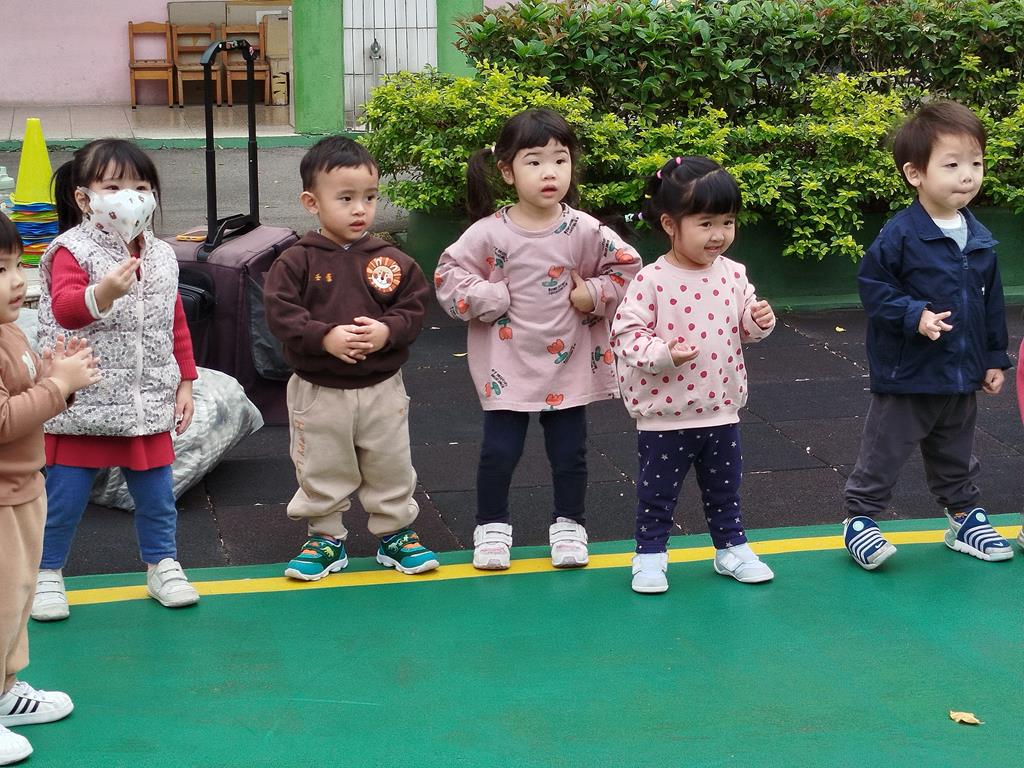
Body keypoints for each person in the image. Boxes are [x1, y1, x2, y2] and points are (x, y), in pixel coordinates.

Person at [435, 108, 642, 571]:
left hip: (568, 363)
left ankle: (569, 524)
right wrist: (489, 296)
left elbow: (630, 271)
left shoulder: (584, 229)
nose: (550, 172)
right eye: (534, 161)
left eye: (560, 160)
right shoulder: (489, 233)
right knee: (499, 451)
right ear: (507, 171)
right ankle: (492, 526)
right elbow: (448, 277)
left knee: (570, 452)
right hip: (506, 365)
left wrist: (594, 293)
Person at [31, 139, 201, 622]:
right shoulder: (72, 250)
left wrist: (185, 383)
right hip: (83, 403)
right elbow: (66, 309)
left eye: (141, 187)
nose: (130, 197)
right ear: (84, 198)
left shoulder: (162, 254)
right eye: (113, 186)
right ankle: (46, 573)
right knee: (63, 501)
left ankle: (162, 565)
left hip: (145, 402)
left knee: (157, 497)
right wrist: (103, 292)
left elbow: (174, 323)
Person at [843, 101, 1014, 569]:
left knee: (956, 451)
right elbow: (874, 289)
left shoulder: (979, 238)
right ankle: (860, 519)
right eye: (952, 165)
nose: (968, 176)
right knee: (886, 449)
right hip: (909, 372)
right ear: (915, 174)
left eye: (976, 163)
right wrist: (914, 314)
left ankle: (963, 517)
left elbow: (991, 303)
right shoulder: (901, 235)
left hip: (960, 372)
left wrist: (994, 357)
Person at [264, 136, 439, 581]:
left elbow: (414, 306)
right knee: (321, 464)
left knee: (390, 461)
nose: (360, 209)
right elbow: (281, 313)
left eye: (369, 197)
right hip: (319, 390)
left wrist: (386, 331)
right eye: (345, 198)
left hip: (381, 388)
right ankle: (324, 536)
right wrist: (324, 337)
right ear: (312, 202)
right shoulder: (296, 261)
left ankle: (396, 532)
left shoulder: (391, 260)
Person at [611, 156, 776, 593]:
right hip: (665, 415)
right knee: (657, 493)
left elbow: (745, 327)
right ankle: (649, 555)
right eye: (705, 223)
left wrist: (758, 320)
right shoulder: (651, 280)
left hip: (721, 407)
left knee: (725, 490)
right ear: (670, 224)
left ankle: (731, 548)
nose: (719, 234)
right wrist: (664, 353)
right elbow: (625, 336)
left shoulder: (733, 274)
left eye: (728, 222)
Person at [0, 212, 99, 764]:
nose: (18, 280)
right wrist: (57, 386)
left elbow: (29, 395)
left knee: (15, 599)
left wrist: (57, 377)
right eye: (0, 270)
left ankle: (5, 691)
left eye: (18, 265)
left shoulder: (9, 330)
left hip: (22, 489)